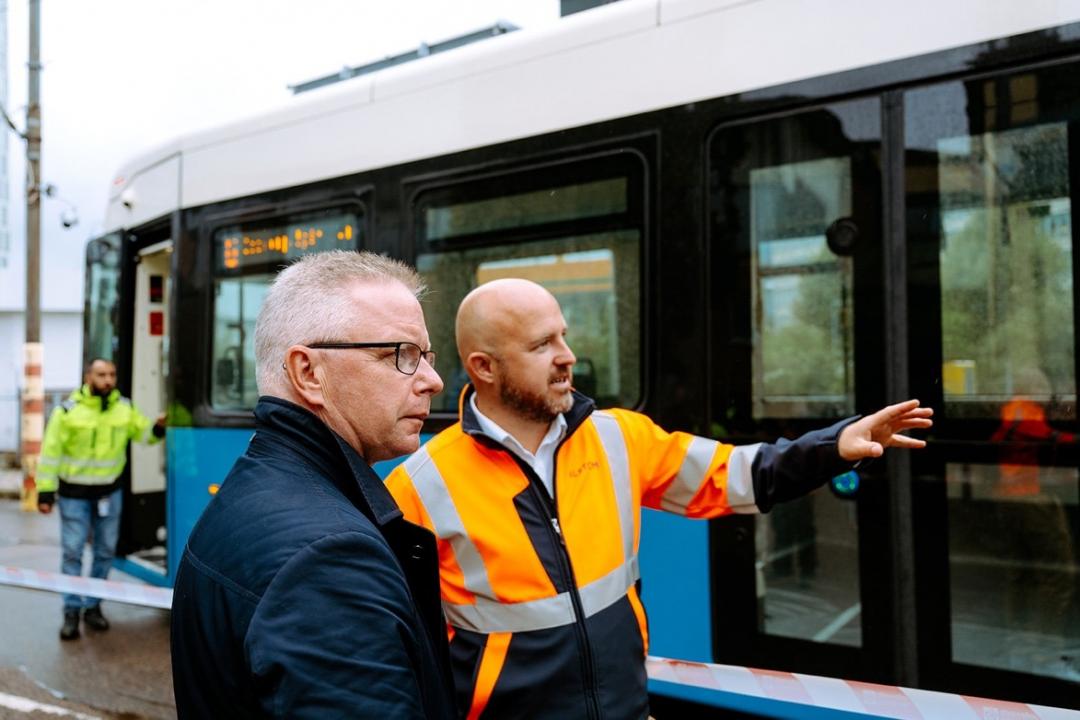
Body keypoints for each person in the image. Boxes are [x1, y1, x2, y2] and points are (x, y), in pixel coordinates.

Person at [386, 278, 933, 719]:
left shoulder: (620, 438)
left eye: (564, 336)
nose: (567, 357)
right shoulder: (418, 487)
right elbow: (397, 649)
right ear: (484, 367)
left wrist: (834, 446)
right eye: (541, 345)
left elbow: (737, 475)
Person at [170, 250, 455, 719]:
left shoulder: (257, 490)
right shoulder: (329, 558)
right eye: (401, 355)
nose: (433, 380)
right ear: (308, 372)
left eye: (426, 356)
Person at [36, 358, 165, 641]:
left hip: (109, 494)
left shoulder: (124, 408)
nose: (108, 380)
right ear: (88, 377)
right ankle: (71, 611)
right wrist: (44, 491)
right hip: (74, 496)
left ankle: (93, 606)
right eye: (101, 375)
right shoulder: (67, 412)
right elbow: (50, 453)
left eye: (112, 374)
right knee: (72, 553)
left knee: (105, 552)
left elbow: (143, 433)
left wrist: (156, 428)